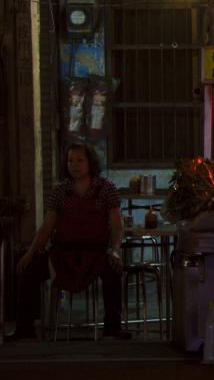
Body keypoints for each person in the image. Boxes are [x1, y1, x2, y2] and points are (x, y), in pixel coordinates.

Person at [7, 142, 131, 341]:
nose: (75, 165)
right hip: (63, 254)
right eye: (70, 160)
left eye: (80, 160)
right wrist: (30, 253)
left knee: (113, 268)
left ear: (90, 162)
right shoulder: (59, 192)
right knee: (29, 268)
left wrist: (115, 250)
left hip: (95, 253)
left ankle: (112, 327)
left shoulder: (107, 189)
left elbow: (117, 225)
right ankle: (25, 329)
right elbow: (47, 227)